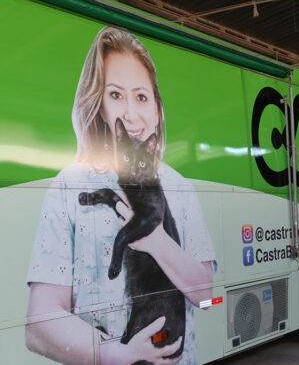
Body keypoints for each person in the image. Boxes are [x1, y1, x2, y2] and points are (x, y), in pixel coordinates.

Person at [25, 27, 216, 365]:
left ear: (157, 109)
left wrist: (154, 239)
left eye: (141, 97)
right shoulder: (69, 187)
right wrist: (116, 354)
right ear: (98, 104)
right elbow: (40, 323)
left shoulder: (180, 188)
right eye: (115, 95)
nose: (130, 113)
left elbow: (205, 296)